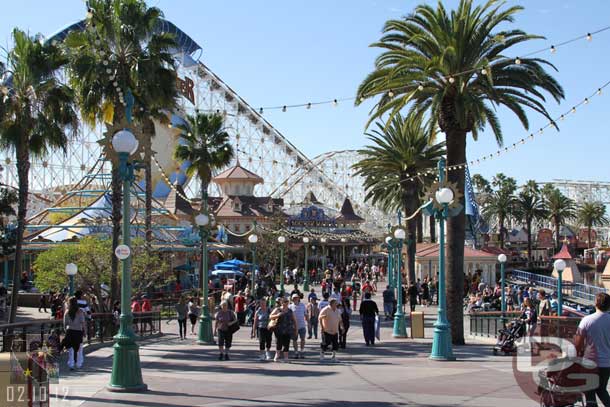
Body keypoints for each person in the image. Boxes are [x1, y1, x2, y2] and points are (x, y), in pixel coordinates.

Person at [575, 293, 610, 406]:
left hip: (589, 362)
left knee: (589, 392)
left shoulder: (587, 320)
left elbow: (578, 343)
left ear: (596, 303)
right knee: (601, 389)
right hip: (606, 363)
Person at [270, 297, 297, 362]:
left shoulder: (290, 311)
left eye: (287, 302)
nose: (286, 303)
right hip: (279, 330)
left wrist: (296, 329)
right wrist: (277, 315)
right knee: (279, 343)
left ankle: (286, 357)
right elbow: (270, 316)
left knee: (286, 343)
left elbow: (294, 320)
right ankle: (277, 355)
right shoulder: (278, 309)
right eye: (284, 302)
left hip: (288, 330)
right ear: (282, 303)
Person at [63, 296, 86, 370]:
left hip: (69, 331)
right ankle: (79, 364)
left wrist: (65, 331)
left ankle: (71, 364)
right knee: (79, 349)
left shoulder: (67, 312)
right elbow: (83, 323)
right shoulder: (80, 311)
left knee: (71, 349)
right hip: (78, 331)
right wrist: (85, 331)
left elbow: (65, 323)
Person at [289, 293, 307, 359]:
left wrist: (309, 323)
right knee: (294, 340)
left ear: (299, 298)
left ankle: (301, 351)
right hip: (294, 327)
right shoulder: (290, 306)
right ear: (292, 299)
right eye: (294, 298)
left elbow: (306, 314)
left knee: (302, 339)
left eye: (296, 298)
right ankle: (296, 352)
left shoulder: (302, 305)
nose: (295, 299)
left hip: (302, 325)